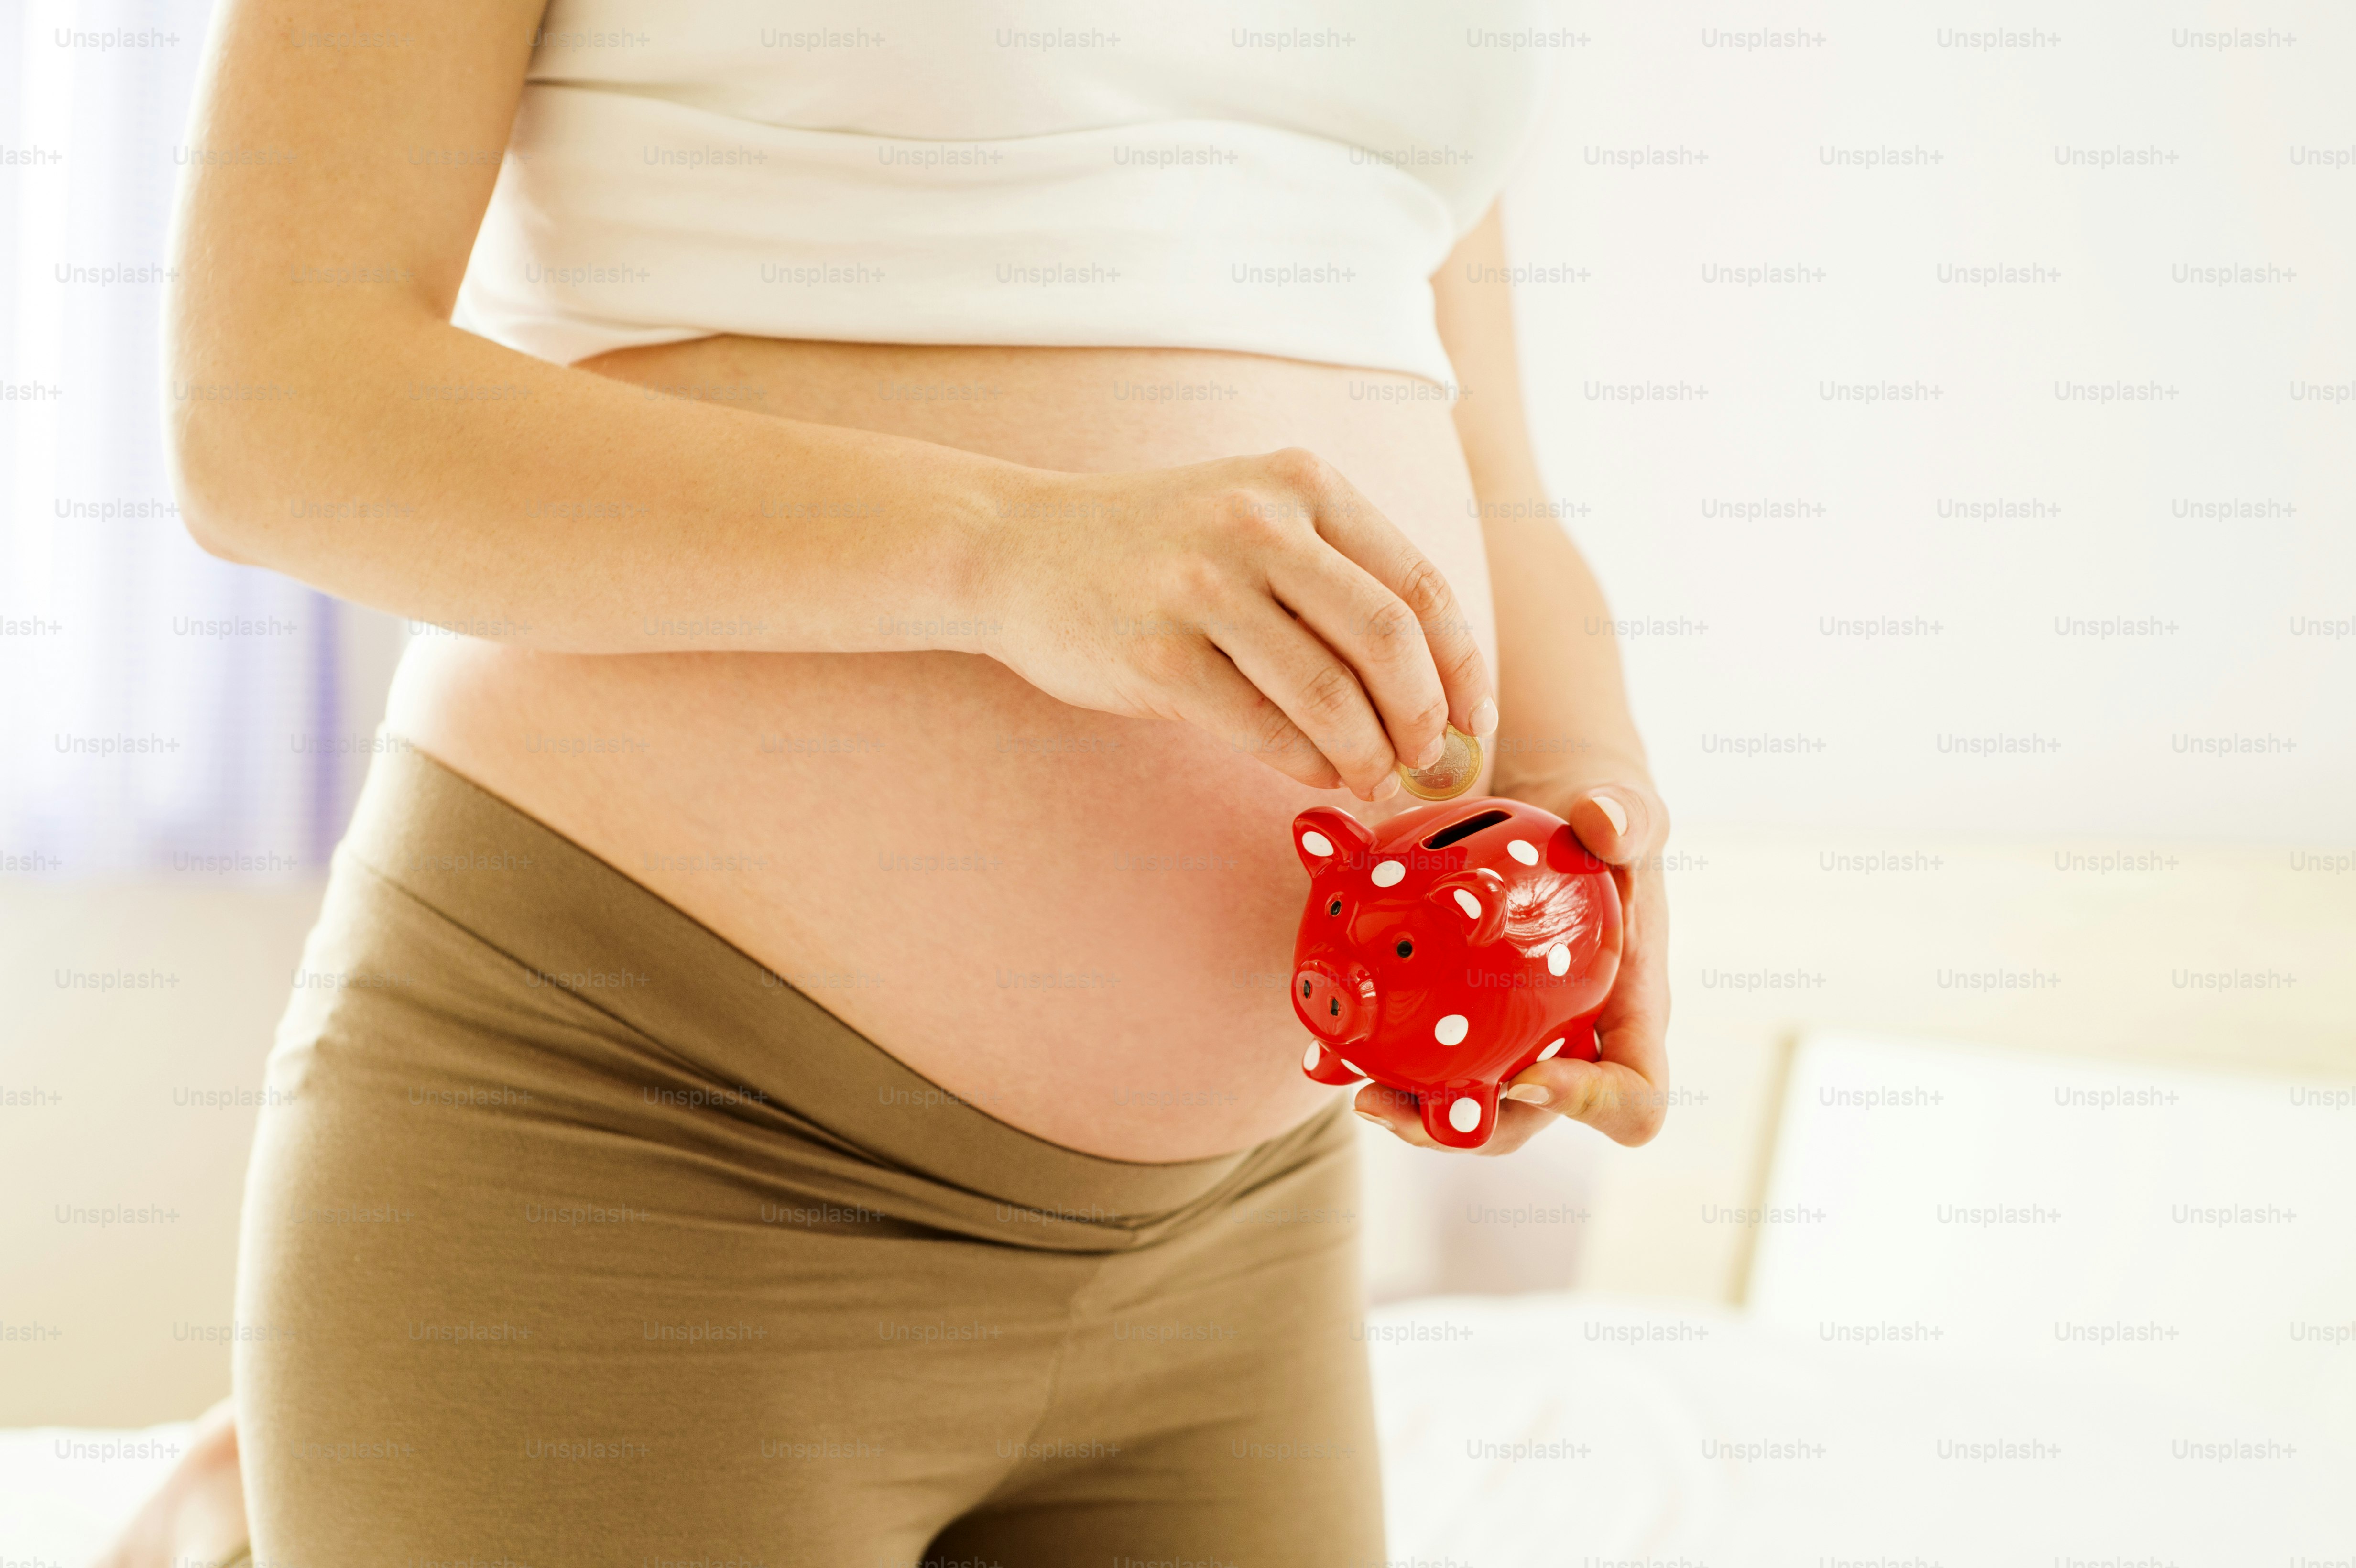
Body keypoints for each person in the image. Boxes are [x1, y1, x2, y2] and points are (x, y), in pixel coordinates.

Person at [121, 0, 1670, 1562]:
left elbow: (1482, 458)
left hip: (1243, 1234)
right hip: (637, 1144)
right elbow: (268, 412)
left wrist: (1588, 792)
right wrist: (1005, 555)